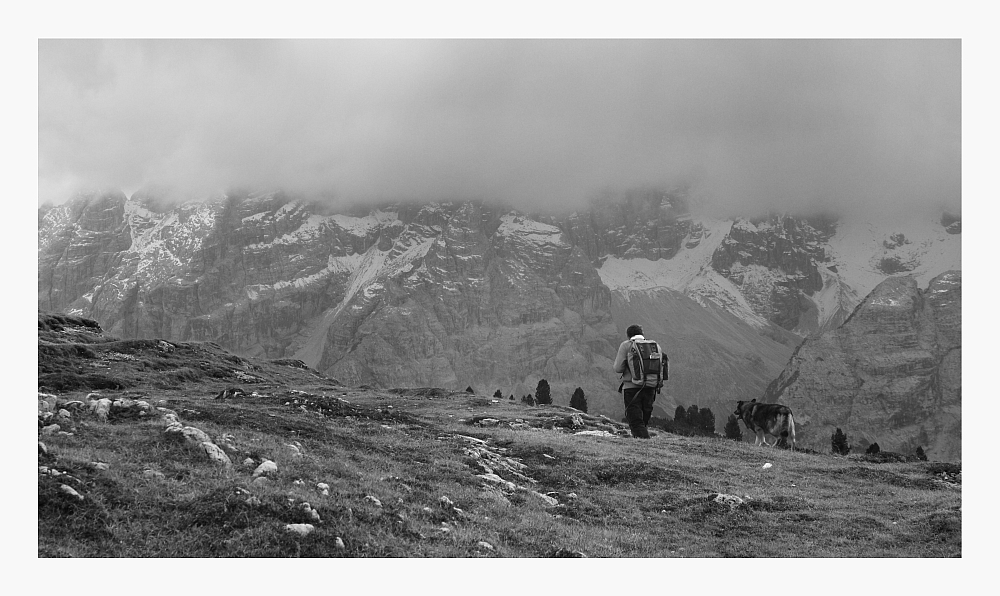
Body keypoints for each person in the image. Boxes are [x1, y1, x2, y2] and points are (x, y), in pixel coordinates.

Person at [613, 324, 660, 439]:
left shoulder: (626, 346)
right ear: (642, 334)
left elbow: (618, 368)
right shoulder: (655, 346)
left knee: (635, 420)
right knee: (643, 420)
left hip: (632, 388)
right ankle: (643, 443)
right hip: (650, 387)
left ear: (628, 335)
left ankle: (644, 446)